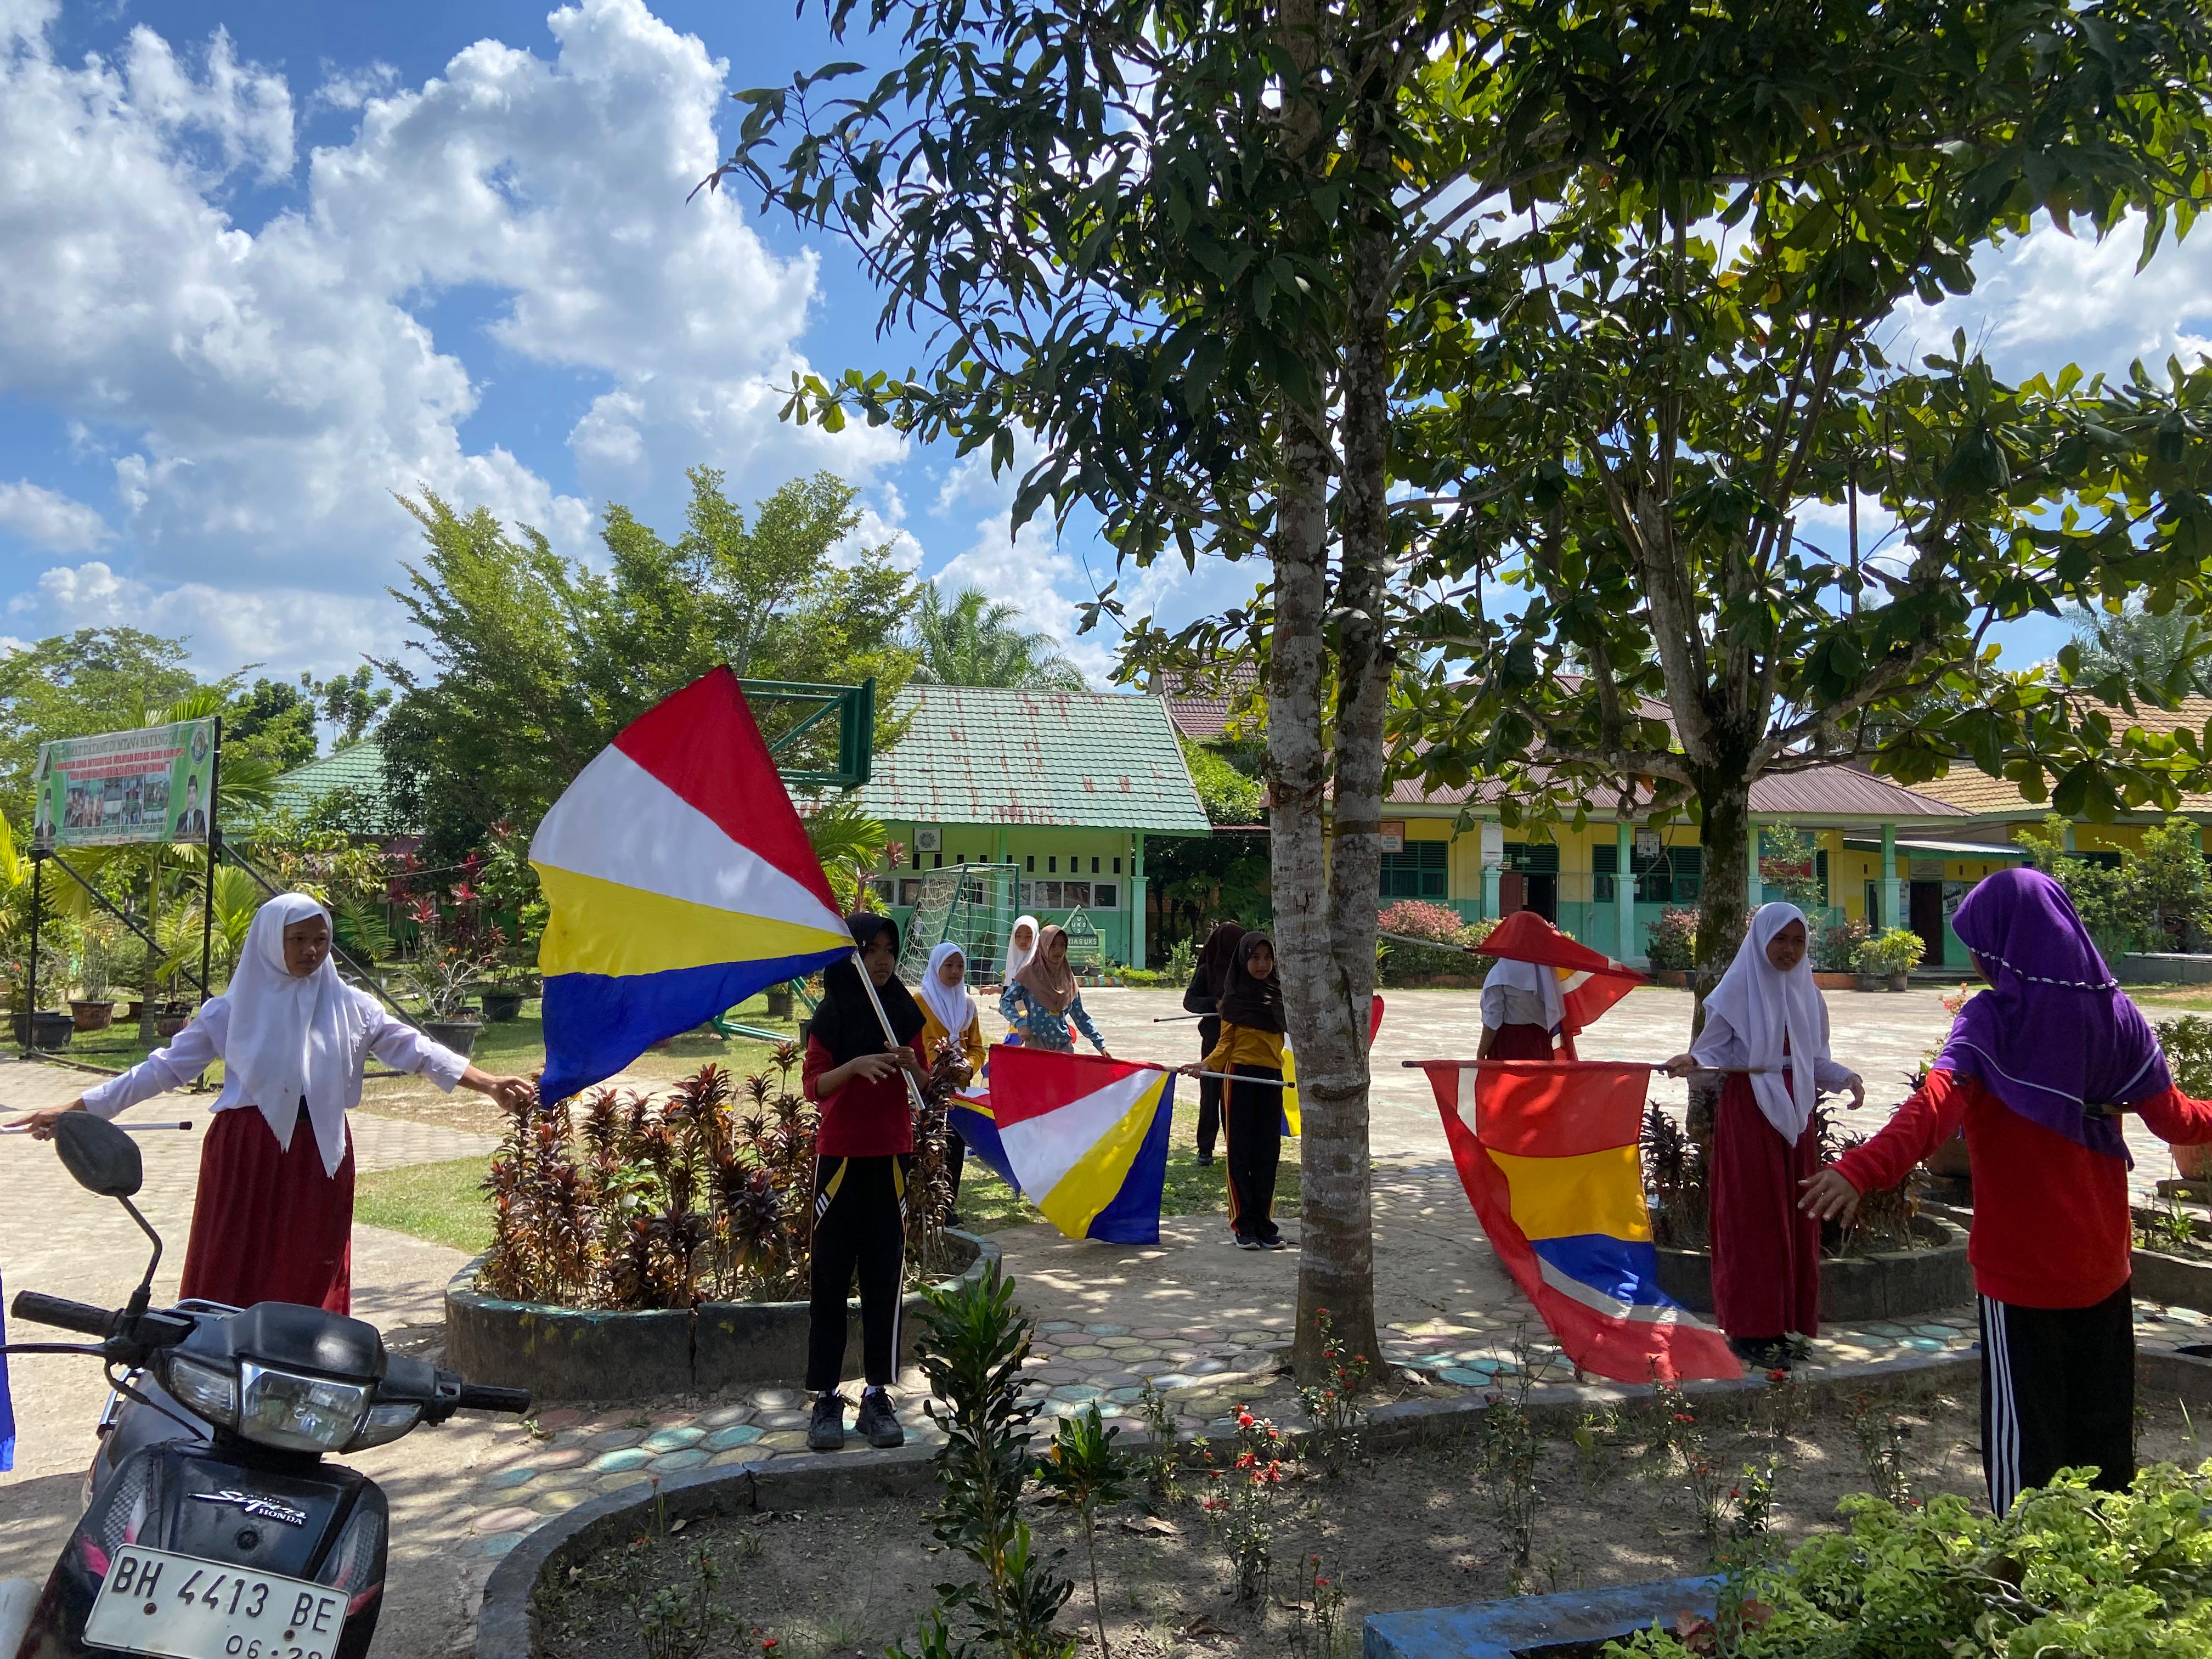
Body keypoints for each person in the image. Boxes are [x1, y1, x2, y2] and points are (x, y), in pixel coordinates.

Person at [1801, 867, 2212, 1515]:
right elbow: (2179, 1121)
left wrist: (1861, 1168)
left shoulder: (1993, 1019)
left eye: (1977, 940)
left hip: (2020, 1275)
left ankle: (2027, 1592)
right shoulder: (2118, 1017)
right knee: (2103, 1444)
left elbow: (1934, 1106)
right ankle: (2098, 1582)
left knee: (2027, 1459)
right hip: (2104, 1266)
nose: (1974, 956)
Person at [7, 894, 535, 1313]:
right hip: (247, 1151)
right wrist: (77, 1111)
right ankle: (215, 1358)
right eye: (297, 939)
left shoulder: (354, 1006)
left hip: (321, 1151)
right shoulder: (229, 1011)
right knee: (235, 1257)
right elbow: (161, 1070)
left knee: (314, 1256)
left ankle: (311, 1359)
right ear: (268, 942)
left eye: (320, 940)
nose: (310, 951)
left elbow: (417, 1051)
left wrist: (488, 1084)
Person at [1661, 903, 1864, 1369]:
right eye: (1781, 940)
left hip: (1797, 1121)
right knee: (1752, 1218)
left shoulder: (1810, 997)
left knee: (1798, 1216)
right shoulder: (1735, 995)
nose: (1789, 951)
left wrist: (1847, 1077)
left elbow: (1814, 1061)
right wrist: (1689, 1062)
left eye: (1798, 942)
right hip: (1750, 1116)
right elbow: (1709, 1059)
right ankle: (1750, 1328)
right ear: (1760, 941)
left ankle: (1790, 1322)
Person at [803, 913, 928, 1453]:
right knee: (831, 1278)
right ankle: (827, 1397)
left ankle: (877, 1396)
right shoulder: (829, 1017)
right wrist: (854, 1067)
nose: (881, 960)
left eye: (888, 949)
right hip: (841, 1160)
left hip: (892, 1157)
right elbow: (814, 1086)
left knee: (885, 1278)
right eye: (870, 949)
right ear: (850, 954)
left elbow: (926, 1085)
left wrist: (908, 1065)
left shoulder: (903, 1011)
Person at [1186, 932, 1288, 1250]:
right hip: (1240, 1077)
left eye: (1268, 958)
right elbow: (1225, 1043)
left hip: (1272, 1078)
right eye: (1255, 958)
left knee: (1268, 1153)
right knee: (1240, 1153)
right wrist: (1207, 1065)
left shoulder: (1280, 997)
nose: (1262, 964)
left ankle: (1265, 1224)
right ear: (1244, 960)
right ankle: (1244, 1225)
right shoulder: (1234, 998)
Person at [915, 941, 987, 1214]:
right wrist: (940, 1065)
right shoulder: (920, 1003)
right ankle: (925, 1206)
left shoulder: (967, 1004)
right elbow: (916, 1046)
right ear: (936, 967)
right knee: (930, 1143)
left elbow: (977, 1047)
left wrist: (969, 1066)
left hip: (959, 1090)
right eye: (948, 965)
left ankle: (947, 1207)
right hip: (928, 1086)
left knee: (955, 1144)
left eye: (960, 966)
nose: (955, 971)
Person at [1183, 921, 1246, 1166]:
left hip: (1241, 1044)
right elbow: (1189, 1001)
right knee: (1210, 1096)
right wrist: (1214, 1004)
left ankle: (1236, 1148)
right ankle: (1206, 1149)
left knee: (1235, 1095)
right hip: (1212, 1041)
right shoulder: (1206, 971)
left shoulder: (1245, 971)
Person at [999, 923, 1109, 1054]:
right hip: (1036, 1046)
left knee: (1065, 1076)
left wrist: (1100, 1044)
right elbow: (1006, 1001)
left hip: (1063, 1047)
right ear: (1044, 946)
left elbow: (1081, 1016)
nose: (1059, 950)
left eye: (1063, 945)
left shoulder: (1068, 979)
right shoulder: (1029, 974)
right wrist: (1020, 1024)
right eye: (1053, 945)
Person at [1477, 954, 1563, 1060]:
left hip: (1509, 1045)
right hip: (1540, 1044)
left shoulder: (1500, 971)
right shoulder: (1544, 971)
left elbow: (1492, 1021)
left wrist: (1480, 1054)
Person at [1002, 913, 1041, 990]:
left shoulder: (1040, 963)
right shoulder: (1012, 960)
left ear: (1036, 937)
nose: (1023, 941)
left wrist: (1000, 990)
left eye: (1029, 937)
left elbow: (1023, 991)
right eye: (1019, 936)